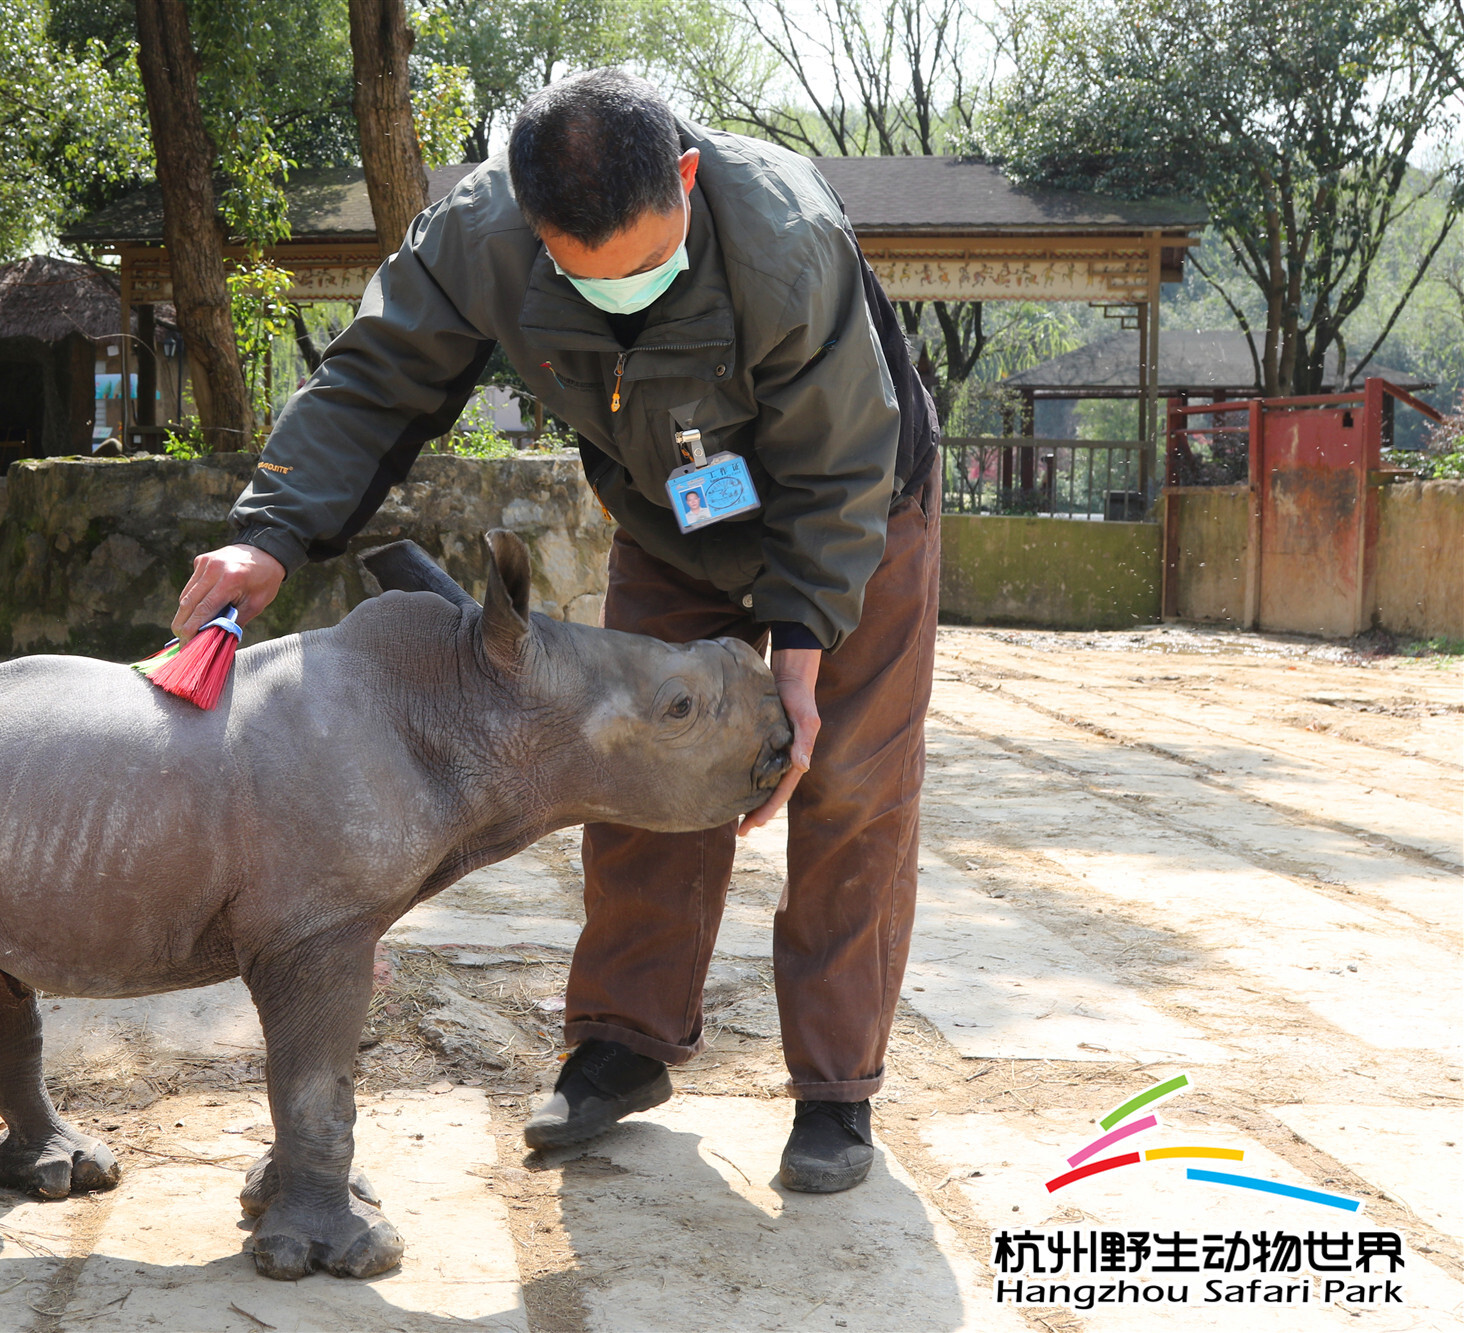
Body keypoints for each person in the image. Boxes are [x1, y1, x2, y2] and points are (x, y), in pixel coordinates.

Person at [171, 67, 938, 1193]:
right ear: (532, 224)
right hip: (673, 517)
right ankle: (621, 1043)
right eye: (589, 279)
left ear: (683, 175)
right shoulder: (477, 233)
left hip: (857, 516)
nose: (622, 295)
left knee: (846, 789)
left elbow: (838, 467)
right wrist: (271, 532)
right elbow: (374, 380)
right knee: (625, 747)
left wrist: (800, 656)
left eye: (642, 266)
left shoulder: (784, 235)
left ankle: (834, 1089)